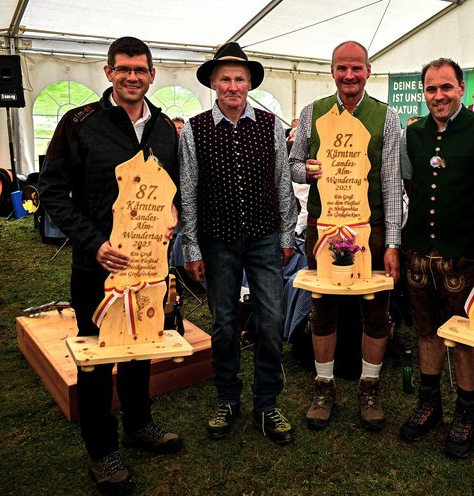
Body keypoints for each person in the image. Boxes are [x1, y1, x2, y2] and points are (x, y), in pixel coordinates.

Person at [39, 36, 182, 496]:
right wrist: (93, 243)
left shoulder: (163, 129)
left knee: (142, 345)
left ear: (152, 74)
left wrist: (171, 219)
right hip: (96, 266)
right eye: (124, 69)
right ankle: (102, 452)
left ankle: (138, 424)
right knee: (98, 358)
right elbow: (53, 192)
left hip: (147, 267)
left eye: (141, 70)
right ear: (108, 73)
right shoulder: (79, 123)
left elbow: (170, 190)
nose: (132, 77)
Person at [178, 42, 297, 445]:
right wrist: (191, 247)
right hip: (217, 242)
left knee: (270, 320)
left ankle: (267, 404)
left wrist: (285, 235)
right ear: (213, 82)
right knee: (225, 324)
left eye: (239, 78)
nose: (232, 85)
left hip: (264, 238)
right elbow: (189, 191)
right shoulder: (194, 129)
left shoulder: (270, 126)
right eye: (225, 78)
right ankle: (227, 398)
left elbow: (283, 183)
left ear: (250, 83)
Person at [399, 57, 474, 459]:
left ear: (462, 87)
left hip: (466, 257)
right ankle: (430, 404)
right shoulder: (413, 134)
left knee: (465, 338)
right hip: (418, 254)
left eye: (446, 87)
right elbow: (410, 185)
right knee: (426, 332)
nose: (439, 96)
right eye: (431, 89)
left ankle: (466, 414)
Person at [289, 40, 402, 432]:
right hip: (323, 227)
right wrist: (309, 171)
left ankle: (369, 387)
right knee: (323, 310)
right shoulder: (312, 112)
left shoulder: (386, 117)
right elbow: (292, 166)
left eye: (356, 68)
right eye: (342, 68)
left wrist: (392, 243)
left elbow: (390, 182)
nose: (349, 75)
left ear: (368, 71)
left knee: (376, 311)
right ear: (332, 71)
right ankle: (325, 386)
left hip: (368, 232)